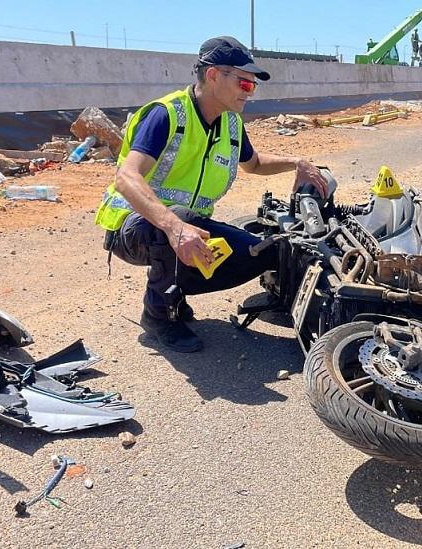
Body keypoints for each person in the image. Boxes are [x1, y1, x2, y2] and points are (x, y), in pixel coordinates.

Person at [95, 36, 328, 353]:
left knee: (262, 251)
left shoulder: (230, 123)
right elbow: (126, 176)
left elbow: (254, 163)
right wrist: (174, 227)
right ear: (214, 74)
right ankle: (158, 316)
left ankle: (175, 289)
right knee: (182, 220)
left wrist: (297, 162)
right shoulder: (167, 115)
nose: (250, 92)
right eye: (245, 84)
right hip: (134, 228)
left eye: (253, 87)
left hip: (186, 228)